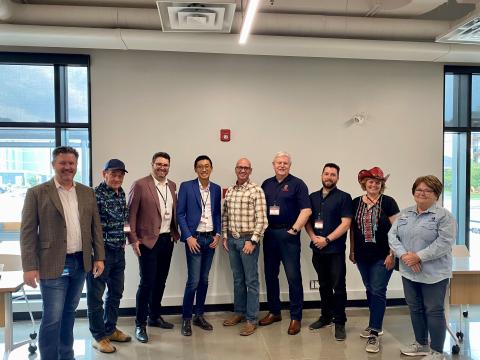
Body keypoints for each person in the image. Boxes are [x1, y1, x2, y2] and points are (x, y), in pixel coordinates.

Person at [20, 146, 105, 360]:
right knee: (52, 317)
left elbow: (95, 227)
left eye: (71, 163)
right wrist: (29, 266)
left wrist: (99, 256)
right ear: (53, 164)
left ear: (76, 165)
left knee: (69, 314)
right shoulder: (37, 193)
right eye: (63, 163)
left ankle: (67, 355)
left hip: (80, 262)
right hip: (52, 263)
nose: (68, 167)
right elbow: (28, 232)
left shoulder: (87, 192)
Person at [389, 175, 456, 360]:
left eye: (428, 190)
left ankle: (437, 352)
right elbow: (392, 237)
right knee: (415, 308)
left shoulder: (444, 216)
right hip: (409, 271)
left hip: (434, 273)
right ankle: (421, 344)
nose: (422, 193)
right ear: (413, 192)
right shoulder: (405, 213)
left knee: (433, 310)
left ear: (436, 195)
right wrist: (405, 256)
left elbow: (444, 243)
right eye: (419, 189)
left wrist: (418, 256)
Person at [128, 152, 180, 343]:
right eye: (159, 164)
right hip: (148, 241)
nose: (162, 168)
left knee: (161, 281)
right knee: (147, 283)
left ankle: (154, 316)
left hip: (167, 240)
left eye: (165, 165)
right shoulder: (140, 185)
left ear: (169, 166)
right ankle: (140, 324)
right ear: (152, 165)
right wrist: (133, 239)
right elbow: (131, 214)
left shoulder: (172, 185)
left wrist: (175, 232)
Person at [259, 151, 311, 335]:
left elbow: (306, 210)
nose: (282, 165)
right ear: (273, 164)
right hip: (270, 234)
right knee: (270, 275)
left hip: (289, 235)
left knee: (293, 276)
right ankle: (274, 312)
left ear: (290, 166)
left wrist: (295, 230)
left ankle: (296, 317)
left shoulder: (298, 184)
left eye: (285, 163)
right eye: (279, 163)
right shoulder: (266, 184)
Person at [349, 167, 399, 353]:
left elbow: (397, 230)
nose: (374, 185)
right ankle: (373, 324)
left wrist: (392, 254)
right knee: (370, 288)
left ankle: (374, 333)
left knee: (378, 290)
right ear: (364, 183)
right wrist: (352, 251)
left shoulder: (388, 202)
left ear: (382, 185)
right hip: (362, 256)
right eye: (370, 181)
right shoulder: (355, 203)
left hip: (383, 256)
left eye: (378, 182)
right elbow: (352, 229)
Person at [87, 159, 131, 353]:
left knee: (116, 293)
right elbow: (89, 227)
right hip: (100, 254)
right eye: (113, 174)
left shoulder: (121, 193)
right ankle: (98, 336)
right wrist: (97, 255)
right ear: (104, 173)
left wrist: (127, 238)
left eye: (120, 175)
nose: (117, 178)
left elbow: (125, 221)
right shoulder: (94, 195)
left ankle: (110, 329)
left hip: (118, 251)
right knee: (95, 297)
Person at [305, 163, 352, 341]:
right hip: (317, 249)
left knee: (338, 287)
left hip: (335, 251)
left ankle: (340, 321)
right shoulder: (312, 197)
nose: (329, 177)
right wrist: (313, 238)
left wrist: (327, 240)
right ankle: (325, 316)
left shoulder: (344, 197)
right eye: (326, 174)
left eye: (333, 174)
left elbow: (345, 223)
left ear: (337, 178)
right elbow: (307, 221)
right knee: (323, 285)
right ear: (321, 175)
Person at [221, 158, 268, 336]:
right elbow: (225, 215)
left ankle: (251, 319)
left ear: (250, 170)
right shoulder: (231, 191)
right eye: (240, 167)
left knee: (251, 281)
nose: (242, 170)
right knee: (238, 279)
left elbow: (262, 220)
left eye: (246, 168)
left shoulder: (256, 190)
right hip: (232, 241)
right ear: (235, 169)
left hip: (248, 240)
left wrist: (253, 241)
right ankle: (239, 313)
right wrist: (225, 236)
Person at [177, 155, 221, 336]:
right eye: (200, 166)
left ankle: (199, 315)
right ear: (195, 169)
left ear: (211, 168)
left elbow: (217, 213)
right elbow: (180, 214)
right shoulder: (187, 186)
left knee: (204, 280)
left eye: (207, 166)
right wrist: (188, 237)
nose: (204, 169)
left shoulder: (217, 189)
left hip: (210, 239)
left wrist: (218, 234)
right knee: (193, 281)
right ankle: (186, 318)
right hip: (194, 239)